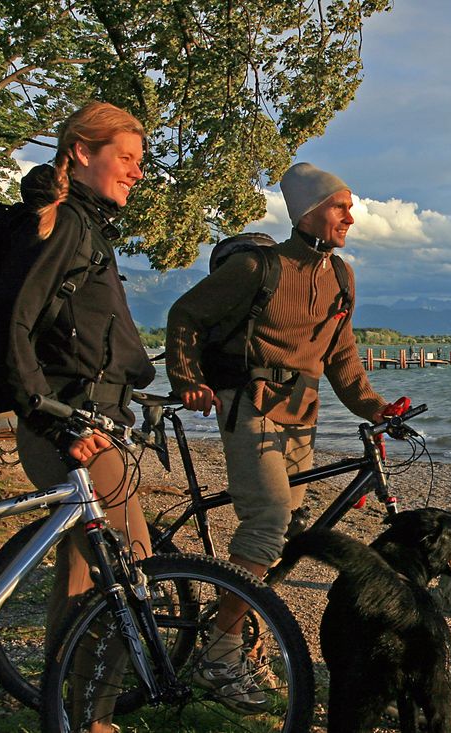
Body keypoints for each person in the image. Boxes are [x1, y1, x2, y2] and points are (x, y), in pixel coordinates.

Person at [166, 161, 395, 708]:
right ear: (311, 211)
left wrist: (376, 408)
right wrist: (188, 379)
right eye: (342, 206)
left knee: (287, 530)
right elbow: (185, 314)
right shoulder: (256, 268)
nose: (351, 216)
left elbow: (341, 357)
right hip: (250, 407)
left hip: (302, 417)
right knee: (267, 523)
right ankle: (218, 658)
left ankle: (243, 632)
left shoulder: (341, 276)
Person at [0, 101, 155, 733]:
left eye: (141, 161)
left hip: (85, 417)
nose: (137, 173)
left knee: (84, 574)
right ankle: (94, 718)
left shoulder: (83, 226)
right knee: (130, 564)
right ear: (82, 153)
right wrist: (52, 419)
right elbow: (10, 322)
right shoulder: (66, 227)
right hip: (70, 424)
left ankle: (66, 713)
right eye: (126, 158)